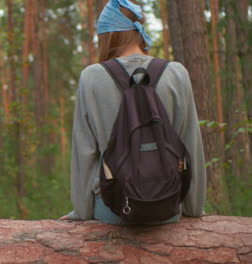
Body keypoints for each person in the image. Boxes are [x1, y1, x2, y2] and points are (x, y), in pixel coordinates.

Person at [61, 0, 206, 224]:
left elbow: (84, 153)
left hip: (112, 210)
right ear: (138, 32)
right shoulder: (176, 73)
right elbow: (190, 145)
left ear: (107, 35)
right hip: (167, 206)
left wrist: (81, 212)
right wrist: (194, 208)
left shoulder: (91, 77)